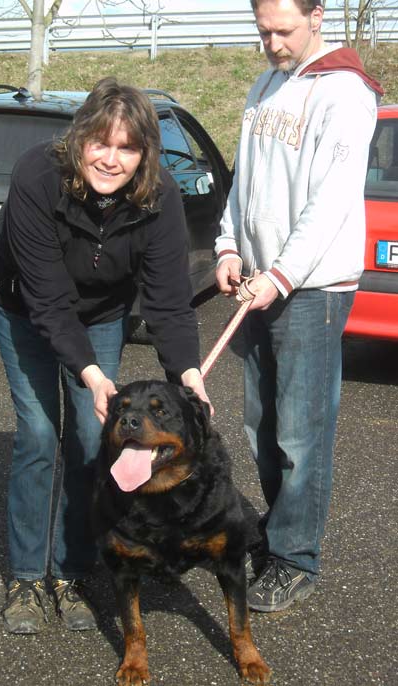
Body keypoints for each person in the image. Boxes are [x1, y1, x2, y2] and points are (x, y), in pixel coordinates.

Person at [0, 77, 210, 634]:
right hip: (23, 305)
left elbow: (169, 302)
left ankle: (72, 570)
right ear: (79, 138)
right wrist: (91, 374)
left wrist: (189, 375)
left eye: (127, 148)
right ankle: (26, 577)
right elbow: (47, 300)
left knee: (93, 437)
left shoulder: (160, 197)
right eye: (100, 143)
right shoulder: (38, 176)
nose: (111, 160)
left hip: (104, 311)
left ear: (145, 153)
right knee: (40, 434)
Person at [215, 0, 383, 613]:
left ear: (317, 15)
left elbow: (332, 199)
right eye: (263, 31)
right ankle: (277, 532)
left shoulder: (345, 94)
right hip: (258, 281)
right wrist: (229, 244)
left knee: (300, 434)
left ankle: (295, 558)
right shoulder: (266, 85)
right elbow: (245, 181)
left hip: (311, 289)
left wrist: (282, 275)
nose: (273, 43)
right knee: (261, 426)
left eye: (283, 30)